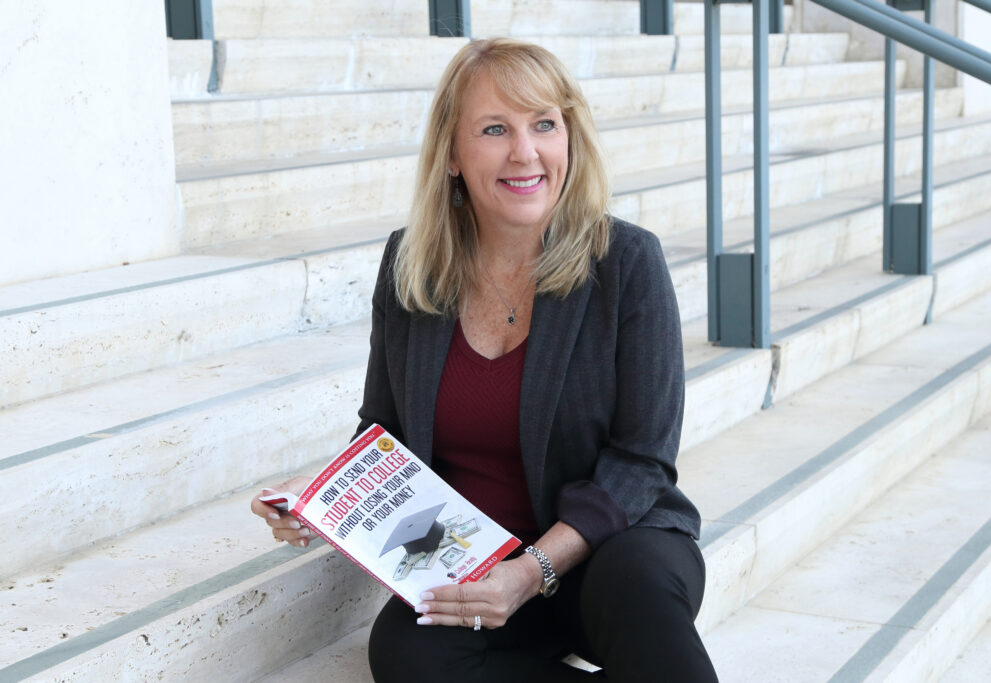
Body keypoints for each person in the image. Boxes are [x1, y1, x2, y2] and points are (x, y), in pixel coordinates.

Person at [251, 37, 718, 682]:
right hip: (473, 568)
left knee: (638, 585)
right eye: (495, 129)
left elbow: (642, 461)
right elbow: (383, 436)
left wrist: (531, 573)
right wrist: (321, 503)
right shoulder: (411, 264)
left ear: (569, 140)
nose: (525, 152)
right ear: (451, 152)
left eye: (544, 125)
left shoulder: (626, 263)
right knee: (405, 655)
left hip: (608, 554)